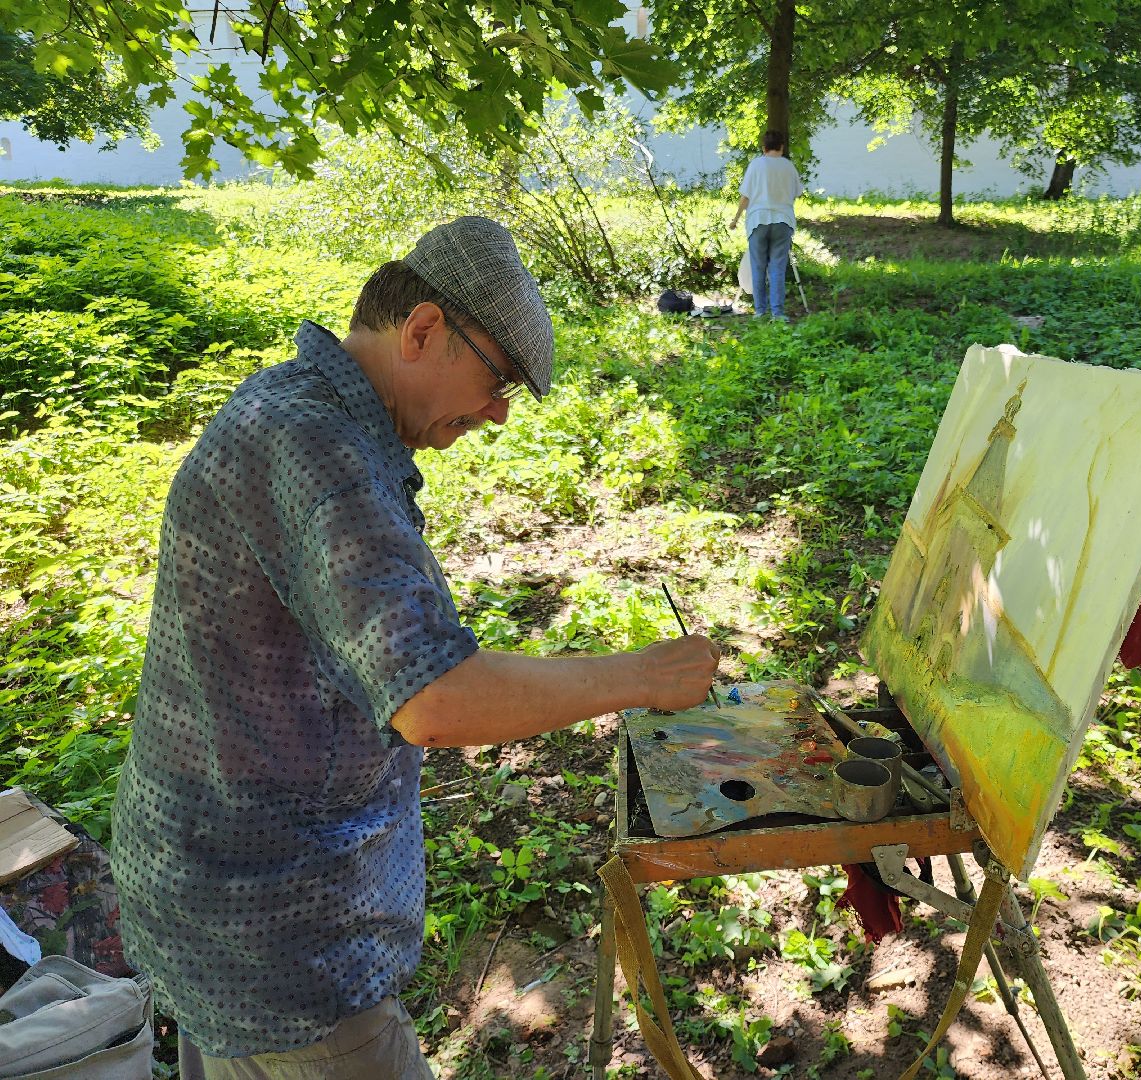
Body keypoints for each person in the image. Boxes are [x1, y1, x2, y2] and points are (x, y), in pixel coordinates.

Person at [109, 217, 721, 1080]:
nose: (500, 411)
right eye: (498, 378)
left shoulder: (297, 410)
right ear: (424, 330)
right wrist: (641, 675)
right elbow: (434, 698)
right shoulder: (319, 449)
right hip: (277, 933)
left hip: (217, 885)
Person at [730, 130, 802, 321]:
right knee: (778, 267)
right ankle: (778, 313)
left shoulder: (756, 165)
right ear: (782, 147)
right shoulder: (789, 167)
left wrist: (736, 219)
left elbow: (745, 196)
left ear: (764, 148)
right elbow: (796, 194)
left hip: (757, 220)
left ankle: (760, 311)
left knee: (758, 266)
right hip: (783, 221)